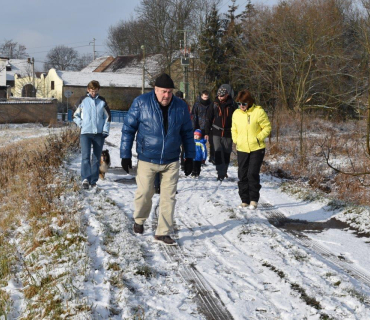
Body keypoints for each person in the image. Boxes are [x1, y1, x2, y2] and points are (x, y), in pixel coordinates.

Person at [120, 73, 195, 245]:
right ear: (155, 90)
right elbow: (128, 129)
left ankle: (163, 232)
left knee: (168, 197)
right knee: (145, 192)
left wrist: (190, 156)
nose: (166, 95)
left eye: (169, 92)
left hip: (171, 160)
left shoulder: (180, 107)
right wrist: (125, 154)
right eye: (163, 91)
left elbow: (187, 133)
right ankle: (139, 220)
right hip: (147, 158)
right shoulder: (141, 103)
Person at [231, 89, 271, 210]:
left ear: (249, 102)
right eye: (239, 103)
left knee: (252, 173)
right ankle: (244, 200)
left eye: (244, 103)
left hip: (257, 148)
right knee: (242, 174)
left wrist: (258, 138)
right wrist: (236, 139)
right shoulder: (236, 114)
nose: (241, 106)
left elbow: (267, 127)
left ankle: (253, 200)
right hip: (242, 148)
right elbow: (234, 129)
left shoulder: (258, 112)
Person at [73, 80, 111, 189]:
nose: (93, 93)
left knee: (96, 158)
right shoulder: (82, 100)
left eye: (95, 91)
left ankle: (93, 181)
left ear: (98, 90)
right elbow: (75, 115)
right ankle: (85, 179)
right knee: (85, 157)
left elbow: (107, 117)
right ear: (88, 90)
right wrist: (82, 124)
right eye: (91, 91)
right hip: (85, 133)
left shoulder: (102, 101)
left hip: (99, 134)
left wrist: (105, 130)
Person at [204, 85, 237, 181]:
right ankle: (220, 173)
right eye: (218, 96)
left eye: (222, 96)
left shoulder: (232, 105)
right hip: (216, 132)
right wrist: (206, 132)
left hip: (228, 132)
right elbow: (208, 119)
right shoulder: (214, 104)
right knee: (218, 152)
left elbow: (237, 119)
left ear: (227, 95)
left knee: (227, 152)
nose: (220, 97)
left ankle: (224, 170)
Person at [191, 90, 215, 164]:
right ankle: (198, 158)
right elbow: (194, 117)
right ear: (201, 96)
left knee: (211, 142)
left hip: (209, 126)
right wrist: (194, 129)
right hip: (199, 127)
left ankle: (211, 157)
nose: (205, 99)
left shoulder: (211, 104)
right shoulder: (197, 104)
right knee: (199, 143)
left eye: (207, 97)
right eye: (204, 97)